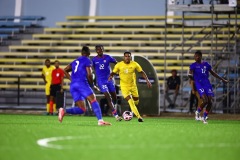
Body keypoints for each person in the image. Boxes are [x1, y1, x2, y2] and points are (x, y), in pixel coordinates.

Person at [58, 46, 111, 126]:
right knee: (93, 99)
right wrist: (92, 84)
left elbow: (65, 70)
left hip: (73, 86)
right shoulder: (87, 60)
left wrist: (72, 79)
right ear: (89, 53)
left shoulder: (75, 61)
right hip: (82, 83)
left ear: (81, 53)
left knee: (82, 109)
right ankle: (100, 121)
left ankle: (64, 111)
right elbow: (89, 74)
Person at [108, 51, 152, 122]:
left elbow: (141, 72)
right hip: (124, 87)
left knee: (136, 101)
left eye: (129, 56)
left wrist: (147, 80)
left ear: (130, 57)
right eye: (126, 56)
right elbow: (113, 72)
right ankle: (139, 117)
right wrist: (110, 76)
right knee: (130, 101)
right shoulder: (119, 65)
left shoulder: (134, 64)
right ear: (124, 57)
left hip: (133, 86)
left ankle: (131, 111)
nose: (127, 58)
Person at [188, 50, 228, 124]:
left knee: (210, 102)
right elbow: (190, 73)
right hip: (199, 84)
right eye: (195, 56)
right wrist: (190, 76)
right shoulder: (193, 65)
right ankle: (197, 112)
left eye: (197, 56)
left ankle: (204, 117)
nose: (196, 57)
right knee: (205, 100)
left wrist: (222, 79)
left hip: (207, 84)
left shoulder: (206, 64)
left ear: (200, 56)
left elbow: (213, 73)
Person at [92, 44, 122, 121]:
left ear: (103, 50)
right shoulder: (94, 60)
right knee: (107, 96)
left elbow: (117, 63)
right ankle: (116, 115)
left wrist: (118, 70)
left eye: (101, 49)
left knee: (114, 96)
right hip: (101, 81)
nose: (100, 50)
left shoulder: (108, 57)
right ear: (96, 51)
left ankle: (113, 106)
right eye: (98, 49)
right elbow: (92, 69)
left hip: (109, 80)